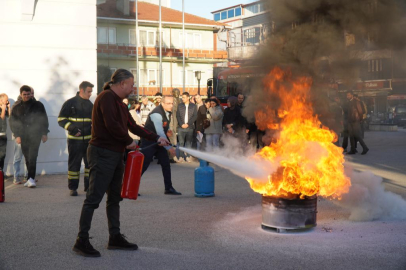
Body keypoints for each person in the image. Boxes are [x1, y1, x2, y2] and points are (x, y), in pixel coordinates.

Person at [73, 69, 169, 257]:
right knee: (93, 198)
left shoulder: (120, 104)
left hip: (115, 155)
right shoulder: (106, 97)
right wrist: (128, 141)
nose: (133, 88)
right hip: (102, 153)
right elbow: (112, 125)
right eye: (132, 84)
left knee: (115, 197)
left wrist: (156, 138)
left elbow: (133, 126)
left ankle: (114, 237)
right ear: (122, 83)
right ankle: (81, 240)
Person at [58, 81, 94, 196]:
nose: (90, 94)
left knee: (89, 165)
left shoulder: (90, 104)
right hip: (75, 141)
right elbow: (61, 120)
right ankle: (73, 188)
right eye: (89, 91)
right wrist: (72, 129)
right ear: (81, 90)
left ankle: (88, 188)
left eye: (91, 92)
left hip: (89, 141)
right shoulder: (70, 103)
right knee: (74, 165)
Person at [9, 85, 49, 188]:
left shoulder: (38, 105)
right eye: (24, 94)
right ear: (21, 94)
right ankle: (29, 179)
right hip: (23, 136)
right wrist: (17, 135)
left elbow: (44, 119)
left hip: (35, 134)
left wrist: (44, 133)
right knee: (27, 157)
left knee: (33, 157)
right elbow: (12, 122)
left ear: (31, 94)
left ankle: (31, 179)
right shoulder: (17, 107)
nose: (26, 96)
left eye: (28, 94)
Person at [140, 96, 181, 195]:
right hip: (149, 142)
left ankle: (168, 188)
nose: (171, 105)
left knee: (166, 164)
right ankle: (130, 187)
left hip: (159, 142)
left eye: (172, 103)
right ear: (162, 103)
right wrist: (169, 148)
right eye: (168, 103)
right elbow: (159, 132)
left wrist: (168, 132)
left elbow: (163, 130)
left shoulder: (167, 112)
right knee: (143, 166)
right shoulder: (156, 114)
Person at [346, 91, 369, 155]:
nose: (347, 96)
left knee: (357, 135)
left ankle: (365, 148)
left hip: (355, 121)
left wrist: (360, 120)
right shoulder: (349, 102)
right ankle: (353, 149)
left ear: (352, 95)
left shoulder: (356, 102)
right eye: (347, 95)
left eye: (348, 95)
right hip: (350, 121)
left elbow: (361, 112)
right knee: (351, 136)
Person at [176, 92, 197, 162]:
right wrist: (181, 124)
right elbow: (178, 116)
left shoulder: (193, 106)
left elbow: (195, 116)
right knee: (181, 143)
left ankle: (188, 156)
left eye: (184, 97)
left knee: (188, 143)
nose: (183, 98)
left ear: (188, 97)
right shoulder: (180, 106)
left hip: (190, 127)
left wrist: (188, 124)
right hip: (180, 127)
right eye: (182, 97)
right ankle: (181, 157)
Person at [0, 94, 10, 171]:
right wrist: (3, 109)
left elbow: (10, 116)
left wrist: (8, 108)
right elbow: (2, 118)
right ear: (1, 100)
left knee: (2, 155)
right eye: (6, 100)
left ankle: (1, 172)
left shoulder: (4, 109)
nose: (7, 102)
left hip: (3, 135)